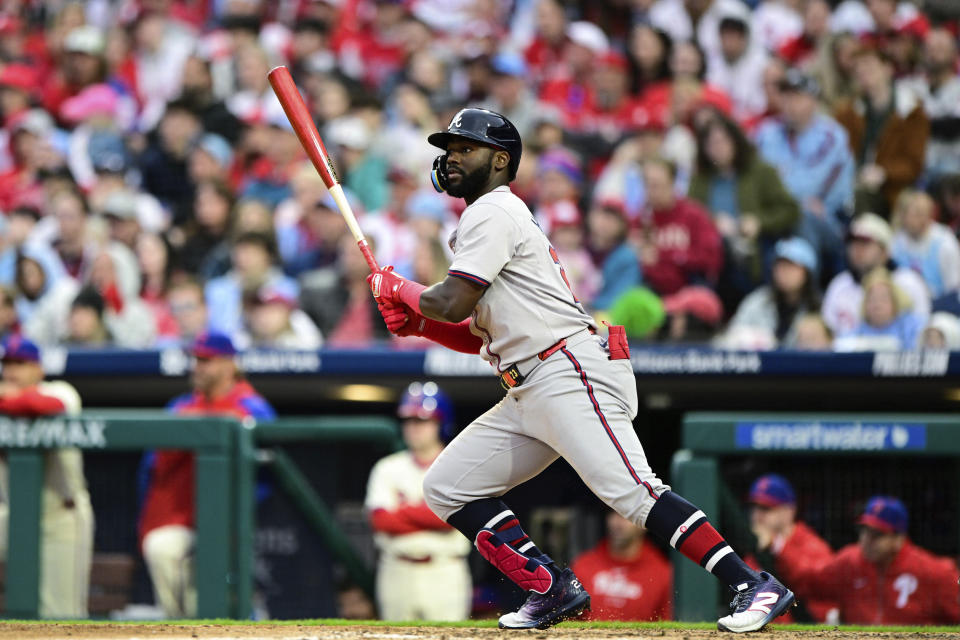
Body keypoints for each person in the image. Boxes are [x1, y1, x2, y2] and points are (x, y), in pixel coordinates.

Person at [368, 108, 793, 632]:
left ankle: (751, 583)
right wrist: (416, 326)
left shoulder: (493, 212)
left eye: (465, 148)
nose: (451, 157)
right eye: (448, 149)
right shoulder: (482, 223)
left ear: (500, 161)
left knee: (635, 493)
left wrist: (399, 288)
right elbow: (470, 327)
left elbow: (450, 300)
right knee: (449, 487)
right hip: (529, 384)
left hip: (566, 370)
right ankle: (548, 587)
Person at [138, 331, 275, 618]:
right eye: (195, 360)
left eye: (206, 360)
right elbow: (150, 472)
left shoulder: (254, 407)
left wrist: (234, 516)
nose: (197, 367)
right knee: (162, 550)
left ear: (229, 365)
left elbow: (266, 479)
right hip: (180, 520)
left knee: (222, 608)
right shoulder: (178, 407)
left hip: (227, 526)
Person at [0, 335, 93, 618]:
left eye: (22, 363)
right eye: (8, 364)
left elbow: (44, 405)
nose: (13, 371)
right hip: (11, 516)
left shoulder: (62, 390)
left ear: (39, 369)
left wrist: (7, 397)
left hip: (61, 517)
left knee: (61, 616)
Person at [364, 382, 471, 621]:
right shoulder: (387, 467)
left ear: (441, 423)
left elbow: (453, 520)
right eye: (409, 420)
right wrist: (428, 512)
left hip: (444, 571)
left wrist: (403, 511)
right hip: (397, 571)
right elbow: (382, 521)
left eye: (422, 421)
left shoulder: (458, 467)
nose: (413, 428)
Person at [781, 496, 960, 624]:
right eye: (864, 531)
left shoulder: (933, 571)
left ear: (899, 538)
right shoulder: (850, 561)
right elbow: (808, 582)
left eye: (877, 535)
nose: (867, 540)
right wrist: (779, 546)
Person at [745, 474, 836, 623]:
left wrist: (777, 547)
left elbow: (820, 585)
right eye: (754, 508)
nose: (757, 515)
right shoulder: (754, 549)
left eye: (766, 508)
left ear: (789, 511)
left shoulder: (810, 543)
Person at [822, 213, 930, 335]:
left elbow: (922, 334)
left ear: (885, 251)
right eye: (852, 242)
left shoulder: (909, 282)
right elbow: (828, 336)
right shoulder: (839, 285)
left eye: (865, 243)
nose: (857, 249)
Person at [570, 509, 672, 621]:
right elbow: (567, 621)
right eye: (613, 513)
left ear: (644, 524)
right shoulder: (583, 565)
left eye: (626, 515)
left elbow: (668, 628)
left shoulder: (662, 572)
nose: (617, 523)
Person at [725, 237, 821, 349]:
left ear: (807, 273)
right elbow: (731, 338)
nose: (783, 272)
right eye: (779, 266)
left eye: (790, 266)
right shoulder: (757, 301)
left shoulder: (819, 308)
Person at [834, 267, 926, 351]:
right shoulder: (855, 334)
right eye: (872, 299)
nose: (877, 304)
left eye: (883, 298)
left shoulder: (913, 326)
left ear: (895, 302)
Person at [890, 190, 960, 299]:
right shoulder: (896, 241)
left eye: (922, 214)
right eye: (914, 214)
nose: (921, 219)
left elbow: (953, 288)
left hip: (940, 304)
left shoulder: (944, 243)